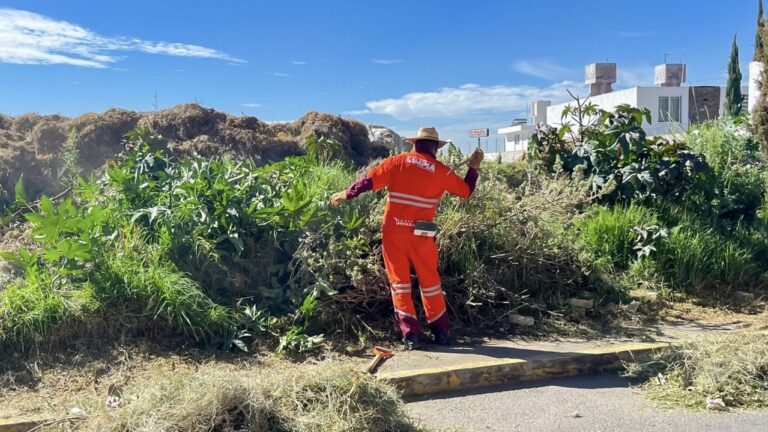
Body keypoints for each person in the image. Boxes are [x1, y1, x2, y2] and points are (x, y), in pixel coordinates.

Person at [330, 126, 483, 350]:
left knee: (400, 284)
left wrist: (346, 193)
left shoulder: (397, 162)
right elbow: (466, 191)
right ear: (436, 148)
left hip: (394, 233)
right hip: (422, 235)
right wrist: (473, 168)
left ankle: (411, 335)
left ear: (415, 144)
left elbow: (369, 180)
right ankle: (441, 331)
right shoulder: (441, 171)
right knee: (430, 283)